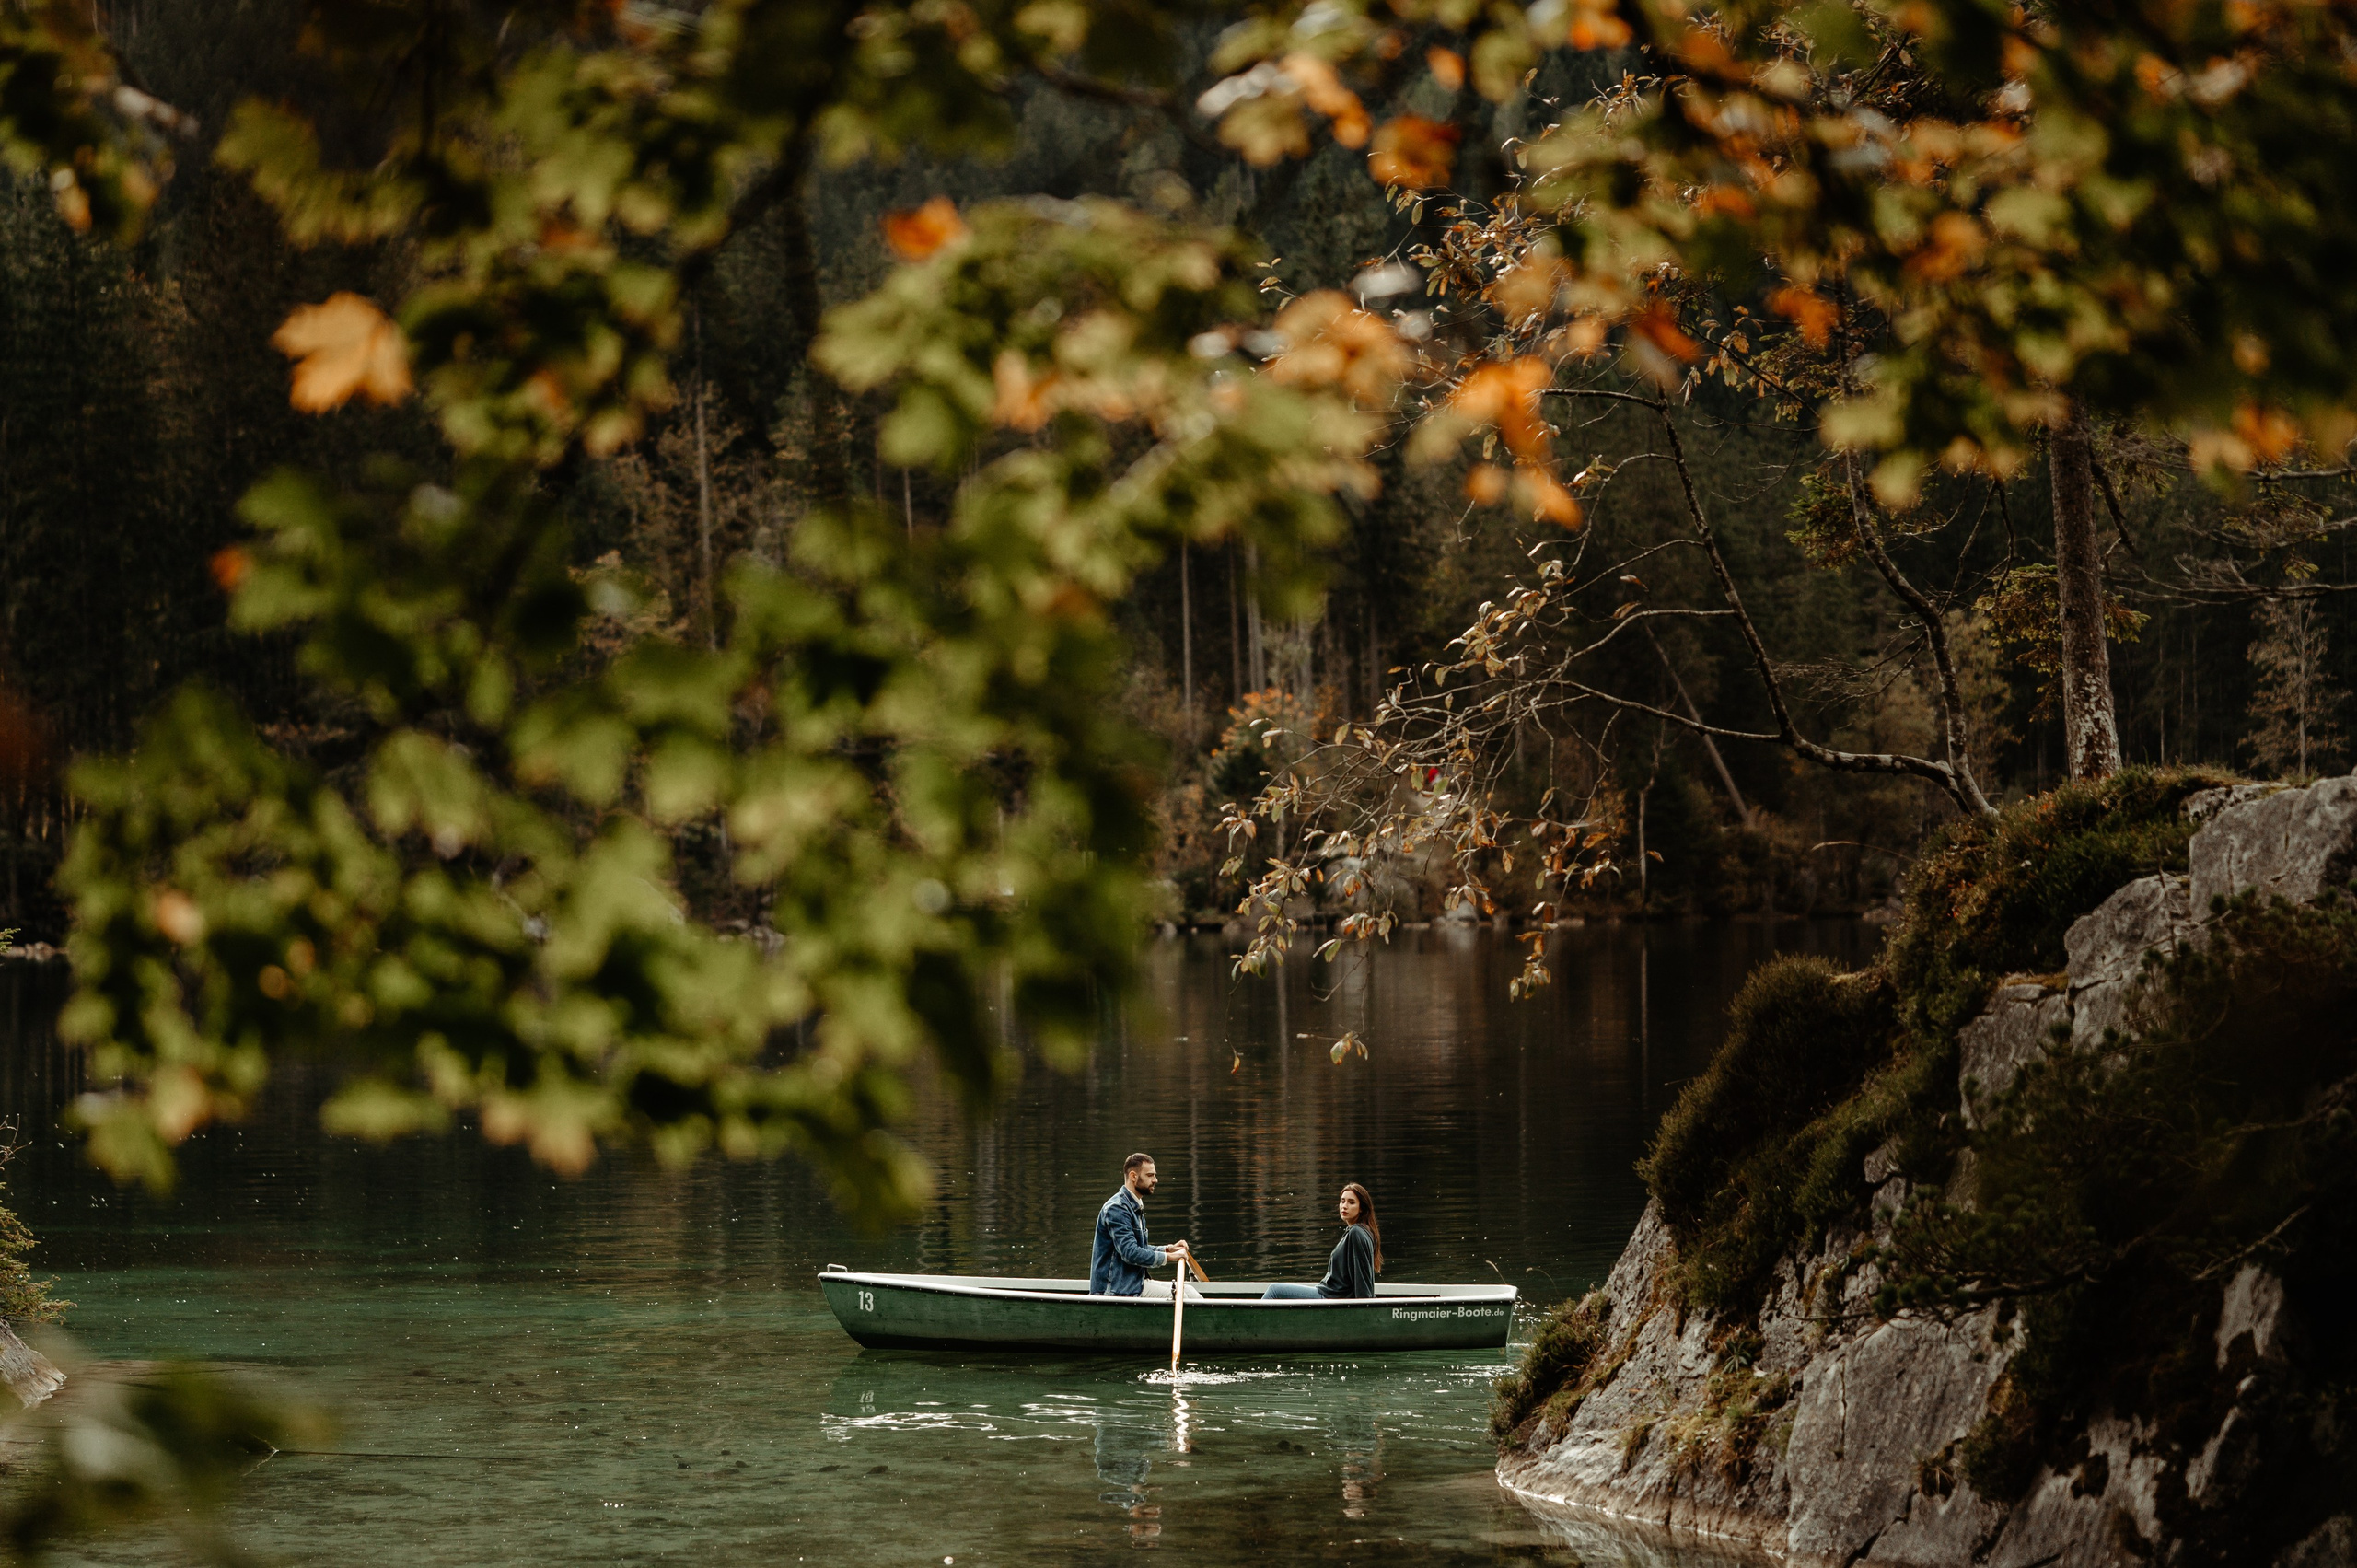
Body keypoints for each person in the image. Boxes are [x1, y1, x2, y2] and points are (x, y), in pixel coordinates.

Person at [1089, 1153, 1190, 1295]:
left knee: (1190, 1292)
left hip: (1133, 1282)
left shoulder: (1134, 1205)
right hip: (1115, 1290)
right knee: (1181, 1295)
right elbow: (1130, 1253)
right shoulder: (1117, 1208)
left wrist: (1168, 1250)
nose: (1155, 1180)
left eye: (1154, 1175)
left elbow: (1138, 1248)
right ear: (1133, 1176)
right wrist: (1169, 1258)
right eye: (1150, 1175)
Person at [1260, 1183, 1382, 1299]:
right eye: (1342, 1201)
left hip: (1330, 1297)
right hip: (1329, 1293)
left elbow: (1362, 1277)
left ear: (1362, 1208)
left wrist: (1366, 1307)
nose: (1344, 1206)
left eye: (1351, 1203)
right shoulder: (1360, 1231)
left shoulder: (1357, 1233)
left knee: (1274, 1290)